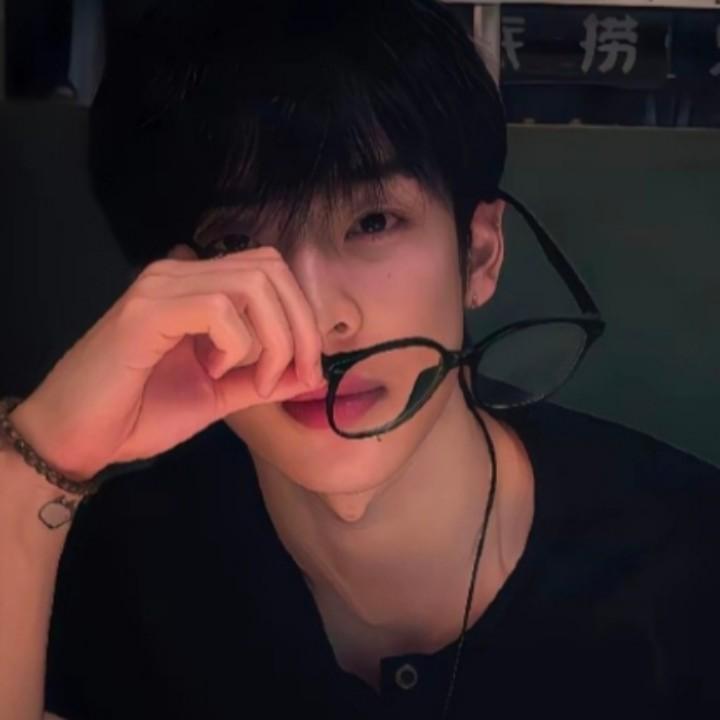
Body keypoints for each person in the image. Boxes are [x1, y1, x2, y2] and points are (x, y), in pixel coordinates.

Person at [0, 1, 718, 719]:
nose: (315, 321)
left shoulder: (688, 560)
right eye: (234, 245)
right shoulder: (105, 569)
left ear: (479, 254)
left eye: (373, 221)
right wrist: (37, 466)